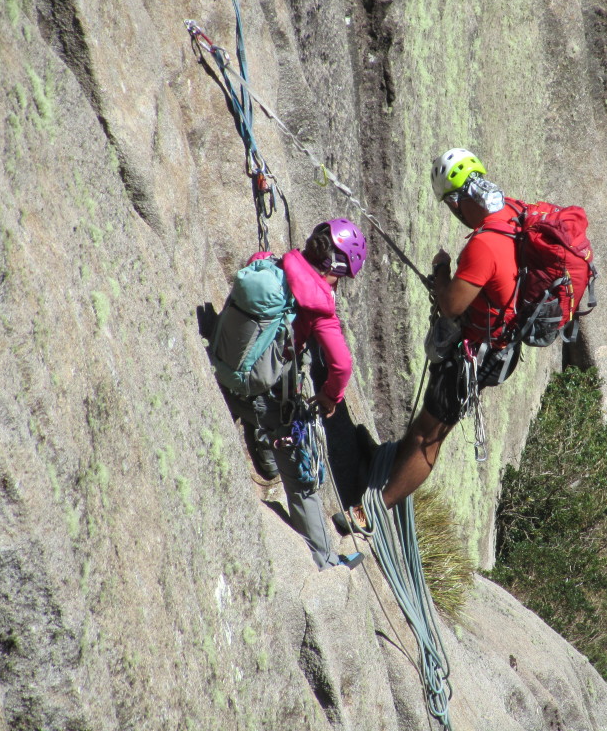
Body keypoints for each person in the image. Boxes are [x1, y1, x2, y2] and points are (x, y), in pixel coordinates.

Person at [376, 148, 525, 514]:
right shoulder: (514, 212)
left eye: (450, 205)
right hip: (500, 342)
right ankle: (392, 468)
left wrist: (442, 270)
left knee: (430, 435)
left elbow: (451, 306)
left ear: (459, 201)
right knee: (428, 419)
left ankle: (376, 509)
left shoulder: (483, 244)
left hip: (477, 354)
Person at [213, 219, 368, 570]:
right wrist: (330, 397)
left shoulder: (270, 262)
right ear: (336, 268)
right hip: (262, 397)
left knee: (268, 406)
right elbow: (341, 366)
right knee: (302, 479)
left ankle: (265, 461)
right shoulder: (318, 308)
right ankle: (326, 561)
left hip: (225, 371)